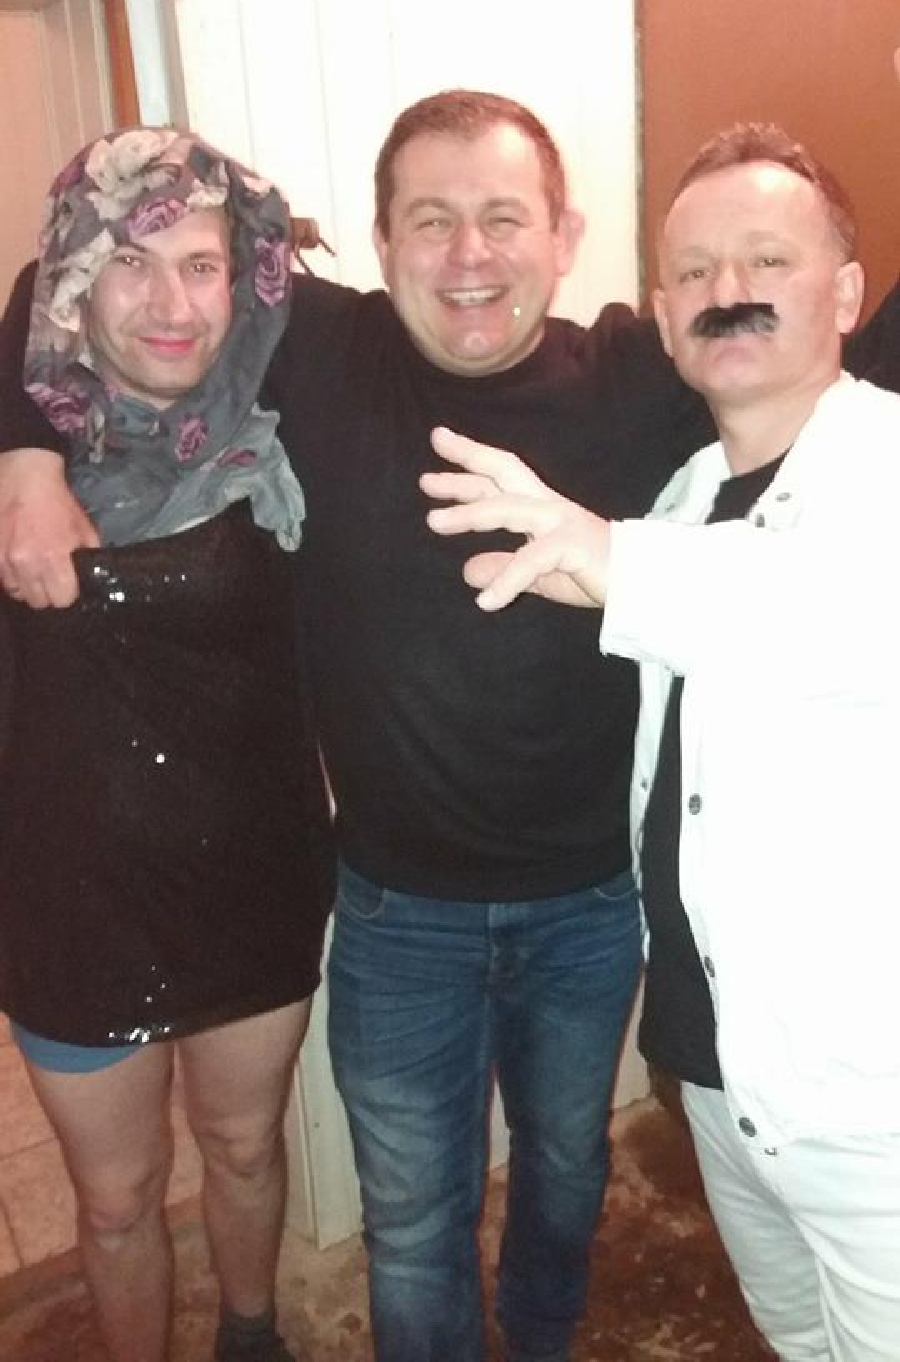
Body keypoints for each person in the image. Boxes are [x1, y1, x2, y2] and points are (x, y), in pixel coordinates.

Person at [1, 94, 894, 1362]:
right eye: (431, 220)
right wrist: (26, 453)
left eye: (503, 219)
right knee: (412, 1221)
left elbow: (812, 389)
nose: (470, 255)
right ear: (379, 242)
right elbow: (70, 265)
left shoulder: (645, 371)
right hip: (394, 912)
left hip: (591, 910)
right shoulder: (317, 346)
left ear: (564, 235)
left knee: (567, 1176)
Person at [421, 123, 900, 1360]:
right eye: (692, 271)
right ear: (663, 314)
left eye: (767, 260)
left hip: (873, 1110)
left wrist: (604, 553)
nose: (727, 289)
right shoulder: (686, 501)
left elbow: (812, 604)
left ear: (848, 291)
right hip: (719, 1075)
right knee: (799, 1339)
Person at [0, 129, 332, 1362]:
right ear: (74, 286)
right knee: (117, 1196)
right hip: (69, 903)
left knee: (244, 1144)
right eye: (128, 265)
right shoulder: (19, 456)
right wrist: (24, 456)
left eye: (200, 265)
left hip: (252, 876)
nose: (170, 306)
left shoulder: (285, 420)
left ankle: (252, 1336)